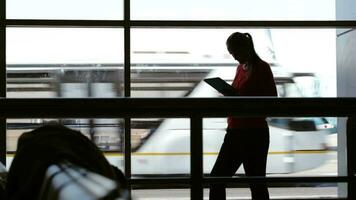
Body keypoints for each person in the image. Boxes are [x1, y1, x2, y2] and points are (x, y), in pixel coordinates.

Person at [209, 32, 277, 200]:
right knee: (253, 183)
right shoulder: (241, 68)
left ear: (246, 48)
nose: (234, 57)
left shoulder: (262, 68)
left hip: (252, 132)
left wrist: (239, 99)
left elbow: (272, 101)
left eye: (235, 53)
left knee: (250, 183)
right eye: (231, 53)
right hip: (237, 130)